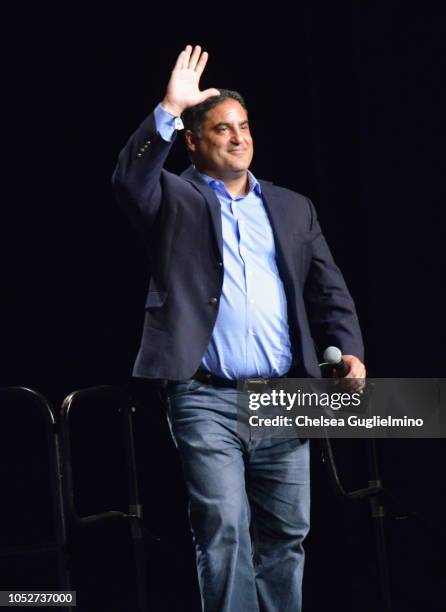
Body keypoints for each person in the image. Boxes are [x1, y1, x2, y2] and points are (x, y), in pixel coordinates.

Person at [113, 45, 365, 612]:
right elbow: (129, 181)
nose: (238, 137)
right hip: (205, 395)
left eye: (244, 126)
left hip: (283, 394)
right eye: (221, 129)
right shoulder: (172, 197)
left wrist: (348, 349)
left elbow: (328, 289)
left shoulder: (292, 206)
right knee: (224, 528)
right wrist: (169, 109)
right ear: (194, 141)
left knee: (285, 535)